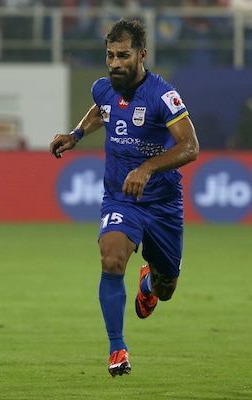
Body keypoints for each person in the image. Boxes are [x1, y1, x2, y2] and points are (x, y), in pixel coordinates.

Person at [50, 18, 199, 377]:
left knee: (166, 289)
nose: (115, 63)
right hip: (120, 197)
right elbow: (102, 111)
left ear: (141, 55)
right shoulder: (103, 88)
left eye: (123, 56)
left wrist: (147, 168)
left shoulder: (163, 95)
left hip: (162, 202)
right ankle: (117, 348)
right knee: (111, 258)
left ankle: (149, 281)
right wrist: (75, 134)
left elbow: (190, 146)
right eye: (110, 56)